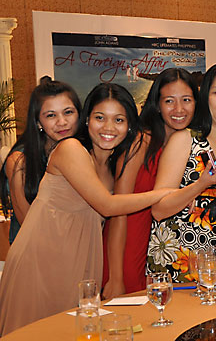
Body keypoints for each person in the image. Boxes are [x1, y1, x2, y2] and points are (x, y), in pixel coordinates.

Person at [0, 83, 174, 336]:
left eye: (118, 120)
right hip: (40, 260)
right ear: (87, 119)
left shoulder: (111, 163)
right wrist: (165, 193)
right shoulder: (70, 149)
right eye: (100, 118)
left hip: (79, 262)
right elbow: (107, 205)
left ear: (129, 126)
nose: (108, 127)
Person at [147, 62, 216, 282]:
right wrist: (200, 185)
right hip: (179, 262)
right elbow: (158, 209)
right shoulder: (185, 139)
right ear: (205, 97)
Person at [102, 68, 199, 298]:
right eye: (169, 101)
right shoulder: (142, 141)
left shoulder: (190, 141)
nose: (179, 109)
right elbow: (118, 211)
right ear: (157, 104)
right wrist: (115, 276)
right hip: (128, 243)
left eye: (186, 100)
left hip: (159, 248)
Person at [0, 76, 81, 243]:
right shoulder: (19, 161)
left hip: (74, 243)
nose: (62, 122)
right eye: (51, 115)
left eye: (68, 112)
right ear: (38, 122)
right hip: (34, 246)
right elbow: (27, 223)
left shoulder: (82, 151)